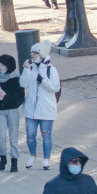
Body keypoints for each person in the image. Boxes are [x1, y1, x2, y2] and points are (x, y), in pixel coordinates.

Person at [20, 40, 60, 170]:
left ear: (42, 54)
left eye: (35, 53)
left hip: (46, 110)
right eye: (32, 52)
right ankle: (32, 155)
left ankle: (46, 159)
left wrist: (43, 80)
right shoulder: (31, 68)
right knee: (30, 135)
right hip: (31, 109)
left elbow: (55, 87)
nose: (32, 55)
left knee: (46, 134)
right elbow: (23, 84)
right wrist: (26, 70)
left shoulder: (51, 69)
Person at [0, 54, 26, 172]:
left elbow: (20, 96)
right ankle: (3, 157)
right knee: (0, 135)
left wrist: (5, 98)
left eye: (3, 65)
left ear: (9, 66)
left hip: (12, 110)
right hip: (0, 110)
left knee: (13, 137)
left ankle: (14, 160)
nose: (0, 67)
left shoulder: (15, 78)